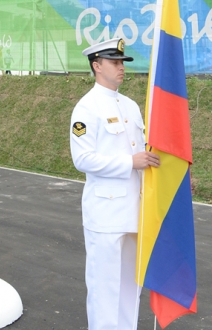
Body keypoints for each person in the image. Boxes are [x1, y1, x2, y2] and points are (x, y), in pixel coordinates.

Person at [70, 37, 160, 330]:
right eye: (115, 62)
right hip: (105, 214)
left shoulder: (131, 105)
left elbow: (144, 151)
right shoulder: (87, 108)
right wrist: (128, 163)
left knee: (129, 291)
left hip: (134, 212)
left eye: (122, 62)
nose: (121, 68)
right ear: (97, 66)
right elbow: (83, 159)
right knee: (104, 291)